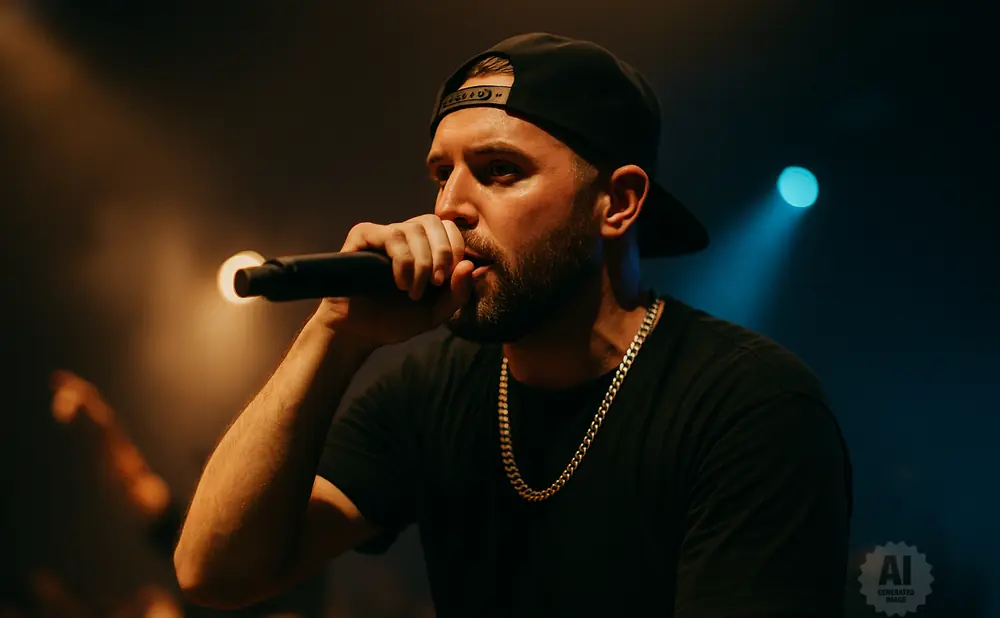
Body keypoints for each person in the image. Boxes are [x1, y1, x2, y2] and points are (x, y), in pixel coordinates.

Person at [174, 33, 852, 617]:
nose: (450, 208)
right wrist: (334, 334)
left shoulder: (749, 406)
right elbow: (216, 573)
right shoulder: (431, 393)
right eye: (443, 174)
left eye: (499, 172)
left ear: (616, 203)